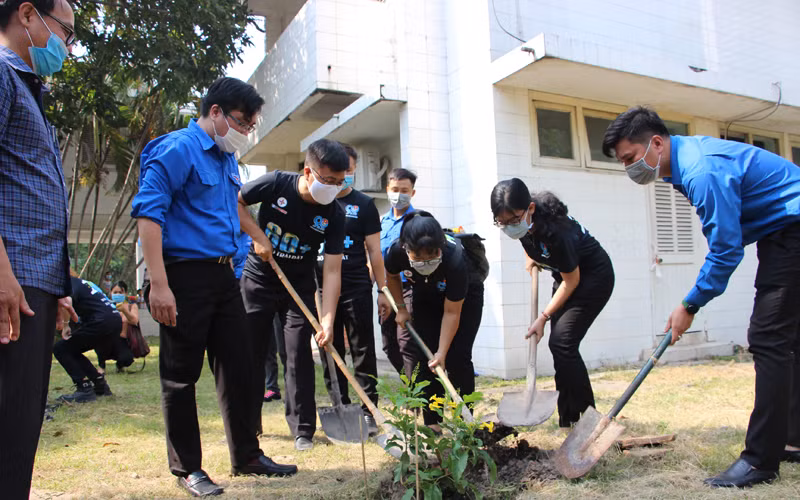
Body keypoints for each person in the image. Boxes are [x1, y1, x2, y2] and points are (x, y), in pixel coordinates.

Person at [603, 106, 800, 488]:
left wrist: (690, 304)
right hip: (785, 230)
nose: (630, 169)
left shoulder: (701, 170)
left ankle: (760, 461)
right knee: (790, 340)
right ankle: (791, 440)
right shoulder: (685, 160)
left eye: (630, 158)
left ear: (656, 143)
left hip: (793, 229)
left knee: (769, 338)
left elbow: (726, 249)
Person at [131, 77, 296, 497]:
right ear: (216, 112)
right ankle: (188, 469)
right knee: (180, 375)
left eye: (250, 125)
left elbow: (230, 216)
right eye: (241, 122)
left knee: (240, 367)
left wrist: (248, 251)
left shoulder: (225, 161)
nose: (244, 132)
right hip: (183, 275)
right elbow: (149, 217)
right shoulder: (176, 149)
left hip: (225, 278)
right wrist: (159, 285)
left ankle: (247, 454)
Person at [0, 1, 79, 497]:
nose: (67, 47)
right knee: (9, 419)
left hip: (35, 278)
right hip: (13, 274)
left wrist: (60, 287)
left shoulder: (29, 89)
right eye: (65, 33)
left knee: (22, 419)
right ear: (28, 15)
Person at [238, 138, 348, 452]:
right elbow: (236, 203)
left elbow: (331, 271)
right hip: (258, 280)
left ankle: (303, 430)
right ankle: (247, 423)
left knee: (297, 354)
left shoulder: (334, 214)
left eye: (340, 183)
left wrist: (326, 321)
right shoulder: (275, 184)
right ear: (308, 172)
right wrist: (258, 236)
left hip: (298, 289)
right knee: (252, 355)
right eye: (328, 181)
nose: (333, 188)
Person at [490, 179, 615, 429]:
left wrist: (543, 316)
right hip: (566, 275)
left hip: (592, 279)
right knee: (560, 347)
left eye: (514, 220)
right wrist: (530, 258)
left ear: (531, 209)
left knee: (563, 343)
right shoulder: (523, 225)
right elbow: (525, 239)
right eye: (502, 222)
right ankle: (568, 418)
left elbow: (572, 281)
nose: (509, 227)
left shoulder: (559, 233)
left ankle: (587, 418)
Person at [384, 211, 484, 431]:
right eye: (417, 257)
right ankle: (433, 425)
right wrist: (400, 308)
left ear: (440, 247)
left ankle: (463, 423)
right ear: (406, 248)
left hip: (465, 298)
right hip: (426, 292)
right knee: (425, 356)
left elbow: (452, 313)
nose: (425, 261)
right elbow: (391, 276)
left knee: (457, 357)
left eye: (431, 255)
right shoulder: (395, 251)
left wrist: (442, 352)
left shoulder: (456, 259)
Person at [317, 143, 385, 434]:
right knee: (328, 346)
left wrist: (383, 290)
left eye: (349, 172)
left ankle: (369, 408)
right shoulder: (317, 202)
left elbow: (375, 252)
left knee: (362, 347)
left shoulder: (364, 205)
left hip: (356, 283)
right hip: (320, 286)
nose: (344, 177)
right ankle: (339, 404)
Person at [54, 273, 121, 402]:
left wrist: (66, 325)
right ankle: (100, 386)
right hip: (115, 320)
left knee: (61, 349)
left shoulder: (68, 283)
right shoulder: (84, 282)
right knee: (72, 350)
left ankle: (84, 388)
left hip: (101, 322)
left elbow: (67, 302)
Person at [379, 168, 417, 375]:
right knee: (389, 344)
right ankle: (410, 388)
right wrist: (378, 291)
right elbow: (373, 257)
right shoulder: (380, 223)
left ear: (412, 193)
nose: (399, 194)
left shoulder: (418, 221)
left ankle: (416, 401)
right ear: (387, 189)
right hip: (385, 291)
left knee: (407, 343)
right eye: (395, 189)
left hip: (409, 289)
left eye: (405, 190)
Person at [96, 280, 136, 373]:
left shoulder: (131, 306)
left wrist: (125, 311)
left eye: (120, 292)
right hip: (106, 337)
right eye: (115, 292)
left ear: (125, 293)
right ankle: (101, 365)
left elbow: (134, 321)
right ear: (110, 293)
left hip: (122, 339)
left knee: (127, 358)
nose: (117, 294)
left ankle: (120, 365)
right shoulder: (104, 305)